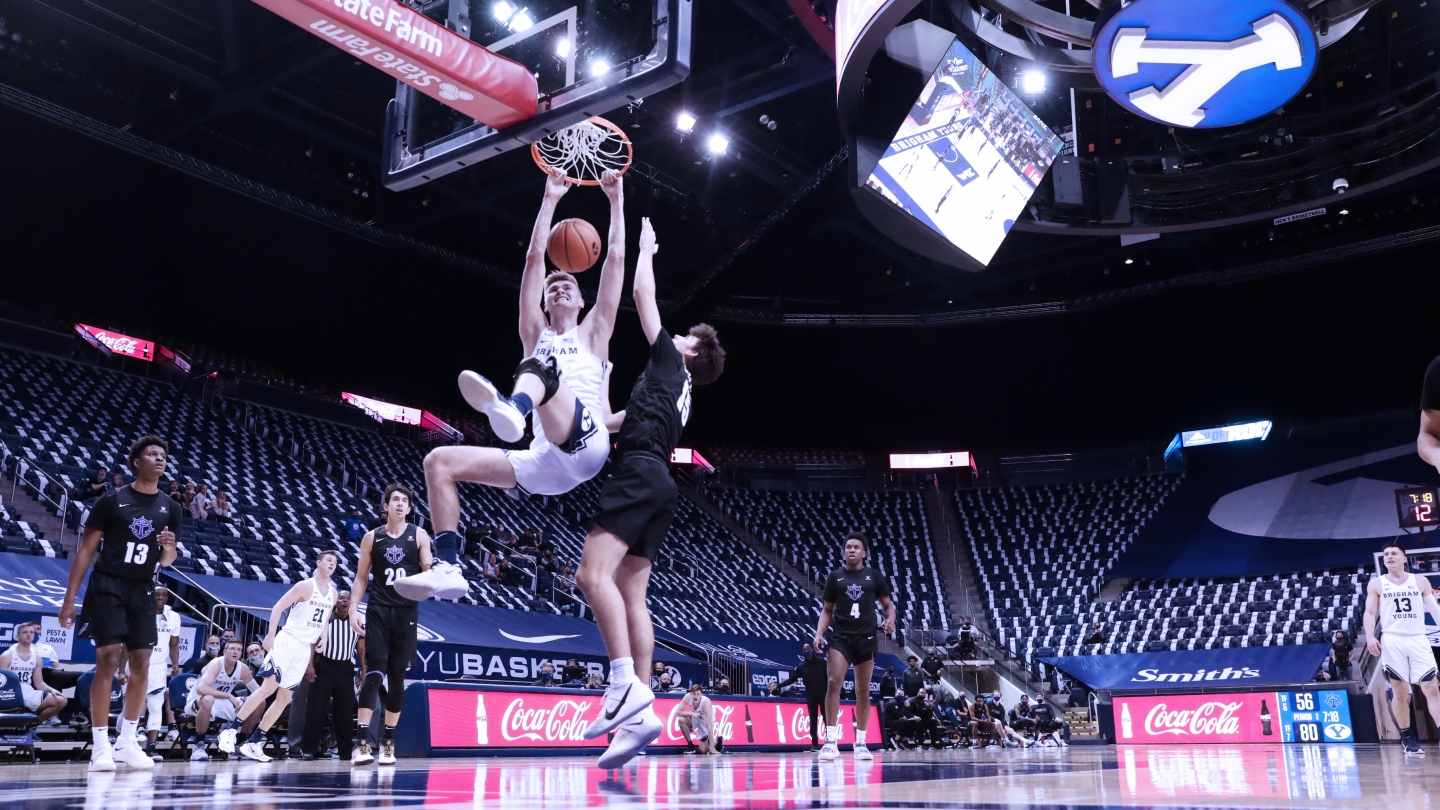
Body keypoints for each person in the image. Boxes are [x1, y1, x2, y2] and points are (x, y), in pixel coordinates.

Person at [412, 171, 631, 603]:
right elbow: (534, 262)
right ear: (545, 303)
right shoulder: (535, 332)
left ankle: (514, 406)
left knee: (541, 372)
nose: (560, 288)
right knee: (439, 461)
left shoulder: (595, 332)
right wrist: (549, 199)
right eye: (554, 288)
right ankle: (448, 567)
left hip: (588, 446)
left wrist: (616, 199)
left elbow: (616, 262)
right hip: (546, 462)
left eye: (568, 285)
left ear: (583, 301)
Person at [572, 216, 726, 770]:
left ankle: (623, 686)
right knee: (633, 595)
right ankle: (642, 715)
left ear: (688, 352)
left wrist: (645, 248)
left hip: (639, 473)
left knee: (590, 575)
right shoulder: (678, 390)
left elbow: (641, 293)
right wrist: (583, 422)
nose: (676, 334)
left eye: (683, 336)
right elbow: (619, 419)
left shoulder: (668, 358)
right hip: (660, 478)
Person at [58, 435, 180, 772]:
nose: (159, 459)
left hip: (143, 587)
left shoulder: (171, 507)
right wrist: (69, 600)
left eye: (163, 455)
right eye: (152, 454)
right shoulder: (111, 502)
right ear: (136, 462)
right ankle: (100, 746)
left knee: (141, 662)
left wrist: (169, 547)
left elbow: (167, 561)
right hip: (108, 584)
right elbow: (85, 551)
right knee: (108, 659)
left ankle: (127, 741)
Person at [218, 550, 339, 762]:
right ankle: (231, 730)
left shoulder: (333, 593)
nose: (333, 564)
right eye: (329, 560)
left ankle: (255, 742)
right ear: (318, 562)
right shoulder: (305, 586)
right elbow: (278, 606)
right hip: (287, 641)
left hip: (303, 648)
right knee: (269, 687)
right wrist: (271, 634)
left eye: (336, 562)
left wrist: (325, 638)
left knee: (285, 697)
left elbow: (326, 620)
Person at [347, 484, 433, 766]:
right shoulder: (372, 537)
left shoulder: (419, 535)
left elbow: (427, 572)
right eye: (394, 499)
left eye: (404, 500)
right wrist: (352, 610)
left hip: (406, 612)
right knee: (372, 675)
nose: (399, 503)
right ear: (385, 507)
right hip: (378, 610)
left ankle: (388, 742)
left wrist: (429, 570)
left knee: (396, 679)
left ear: (409, 508)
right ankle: (361, 743)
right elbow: (361, 578)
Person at [813, 531, 897, 761]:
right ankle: (830, 742)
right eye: (848, 546)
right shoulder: (835, 577)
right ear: (844, 551)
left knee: (863, 690)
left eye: (856, 547)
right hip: (841, 637)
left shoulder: (874, 577)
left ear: (864, 552)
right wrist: (819, 633)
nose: (851, 550)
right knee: (833, 683)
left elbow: (888, 606)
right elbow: (827, 610)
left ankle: (860, 742)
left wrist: (890, 620)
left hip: (867, 638)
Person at [1363, 541, 1440, 755]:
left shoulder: (1420, 581)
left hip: (1418, 638)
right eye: (1386, 554)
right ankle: (1407, 736)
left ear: (1404, 558)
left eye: (1394, 553)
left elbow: (1434, 610)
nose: (1389, 556)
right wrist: (1370, 636)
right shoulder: (1377, 584)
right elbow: (1370, 613)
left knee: (1432, 687)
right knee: (1400, 690)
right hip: (1393, 639)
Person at [302, 589, 360, 762]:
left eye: (348, 598)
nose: (344, 601)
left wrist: (364, 669)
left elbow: (362, 648)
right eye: (341, 598)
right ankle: (309, 749)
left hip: (346, 669)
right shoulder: (326, 620)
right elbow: (312, 642)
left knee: (344, 713)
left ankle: (345, 751)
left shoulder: (356, 622)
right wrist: (310, 664)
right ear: (335, 602)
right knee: (315, 709)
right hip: (324, 667)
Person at [184, 640, 260, 761]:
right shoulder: (216, 664)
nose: (236, 652)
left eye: (239, 650)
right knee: (208, 699)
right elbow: (201, 689)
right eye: (232, 649)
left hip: (222, 702)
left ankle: (239, 744)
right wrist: (229, 696)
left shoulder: (243, 668)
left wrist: (247, 702)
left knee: (259, 702)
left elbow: (258, 692)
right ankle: (199, 746)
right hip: (197, 701)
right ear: (224, 651)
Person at [141, 586, 182, 762]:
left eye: (164, 594)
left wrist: (175, 663)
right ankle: (123, 742)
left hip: (158, 666)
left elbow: (174, 644)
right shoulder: (139, 612)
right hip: (137, 663)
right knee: (131, 707)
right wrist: (121, 669)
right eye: (156, 593)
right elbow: (126, 644)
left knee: (156, 706)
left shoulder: (173, 617)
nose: (160, 597)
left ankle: (151, 747)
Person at [0, 622, 66, 722]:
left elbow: (39, 683)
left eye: (31, 632)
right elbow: (2, 683)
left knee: (61, 700)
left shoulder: (37, 657)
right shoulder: (7, 656)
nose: (29, 634)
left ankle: (32, 725)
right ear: (18, 636)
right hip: (10, 693)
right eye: (25, 632)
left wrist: (52, 690)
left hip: (28, 692)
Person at [777, 643, 828, 750]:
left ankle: (830, 741)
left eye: (808, 649)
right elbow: (792, 679)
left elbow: (829, 677)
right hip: (811, 695)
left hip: (824, 694)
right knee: (812, 719)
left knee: (826, 718)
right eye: (804, 650)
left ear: (812, 650)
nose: (806, 651)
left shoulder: (822, 662)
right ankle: (814, 744)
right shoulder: (801, 666)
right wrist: (779, 685)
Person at [677, 683, 722, 755]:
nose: (695, 696)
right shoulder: (687, 697)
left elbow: (709, 726)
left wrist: (712, 748)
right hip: (695, 716)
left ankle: (716, 742)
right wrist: (692, 713)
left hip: (705, 719)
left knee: (703, 750)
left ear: (701, 694)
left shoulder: (706, 702)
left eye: (698, 694)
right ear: (691, 694)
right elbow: (677, 712)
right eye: (694, 694)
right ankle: (690, 745)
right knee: (681, 720)